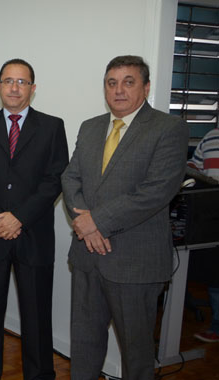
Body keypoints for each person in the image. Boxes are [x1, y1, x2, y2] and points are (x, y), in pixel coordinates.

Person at [61, 55, 189, 380]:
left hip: (136, 263)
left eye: (128, 82)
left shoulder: (168, 128)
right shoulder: (90, 128)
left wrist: (96, 221)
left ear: (145, 88)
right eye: (112, 83)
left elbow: (156, 191)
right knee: (85, 347)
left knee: (137, 357)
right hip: (88, 258)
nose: (119, 90)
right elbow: (70, 178)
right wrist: (86, 227)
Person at [0, 58, 68, 380]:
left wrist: (18, 218)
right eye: (8, 80)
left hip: (33, 237)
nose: (14, 87)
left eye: (22, 82)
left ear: (32, 89)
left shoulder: (52, 127)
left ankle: (38, 375)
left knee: (36, 317)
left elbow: (55, 179)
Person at [187, 129, 219, 343]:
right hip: (211, 213)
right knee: (215, 273)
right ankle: (217, 326)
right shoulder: (210, 137)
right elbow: (194, 166)